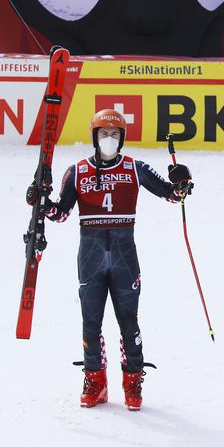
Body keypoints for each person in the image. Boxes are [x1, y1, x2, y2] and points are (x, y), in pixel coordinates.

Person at [25, 109, 193, 411]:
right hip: (90, 255)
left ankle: (132, 383)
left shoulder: (135, 168)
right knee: (90, 323)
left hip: (124, 255)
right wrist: (43, 204)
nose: (109, 140)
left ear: (122, 138)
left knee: (129, 323)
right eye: (103, 134)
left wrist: (183, 181)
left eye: (114, 135)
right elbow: (62, 213)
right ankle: (95, 381)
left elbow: (174, 195)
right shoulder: (77, 171)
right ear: (94, 137)